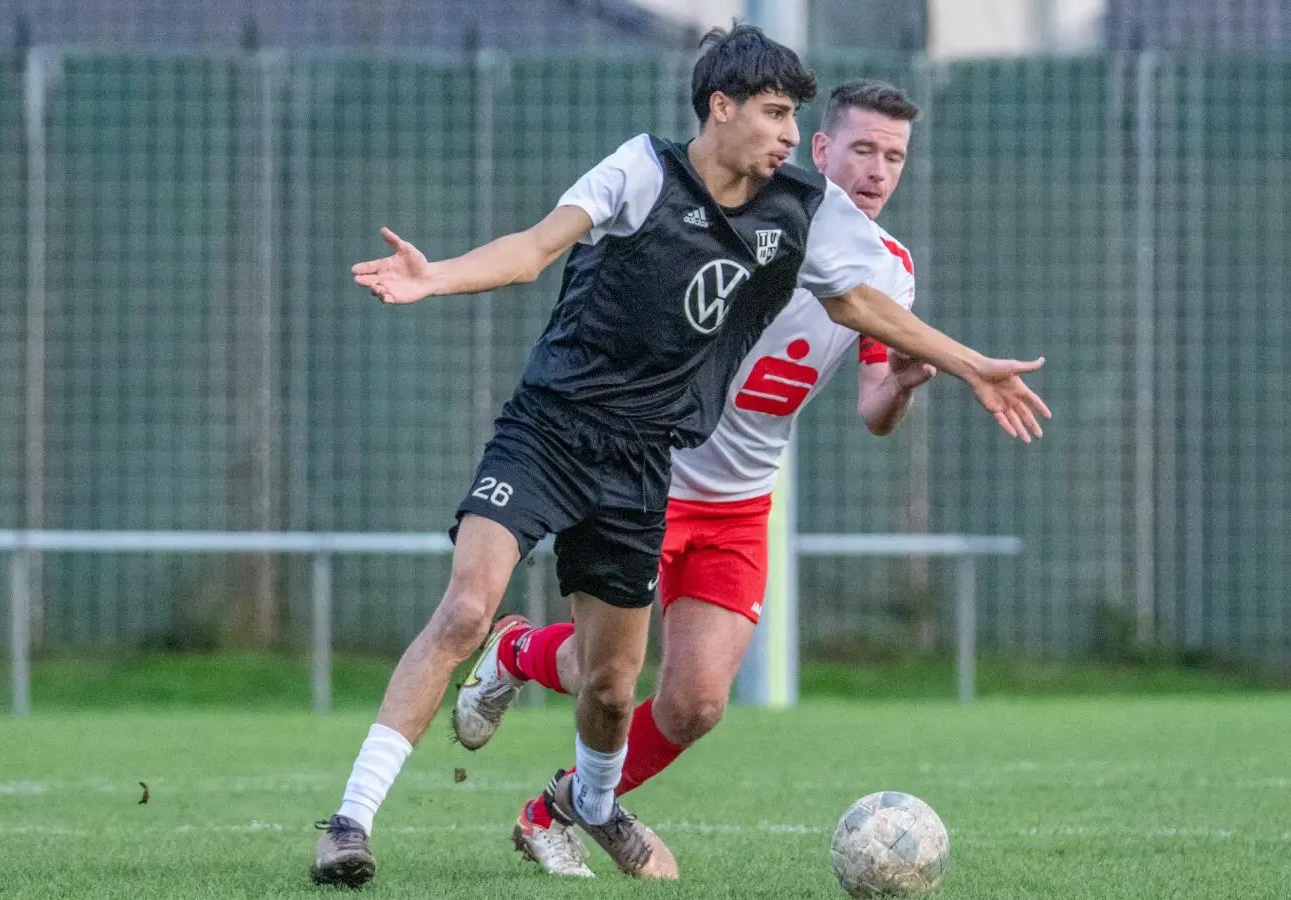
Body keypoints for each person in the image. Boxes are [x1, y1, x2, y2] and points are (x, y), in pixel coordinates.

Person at [313, 26, 1048, 887]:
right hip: (552, 429)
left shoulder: (803, 214)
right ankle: (350, 823)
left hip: (645, 461)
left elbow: (857, 306)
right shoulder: (642, 169)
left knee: (618, 686)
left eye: (796, 118)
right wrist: (436, 275)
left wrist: (969, 366)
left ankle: (585, 804)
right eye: (776, 114)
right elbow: (536, 248)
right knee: (467, 609)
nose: (787, 135)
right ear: (721, 107)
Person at [450, 79, 993, 877]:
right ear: (819, 149)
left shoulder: (890, 271)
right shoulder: (746, 223)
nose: (878, 170)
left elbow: (875, 409)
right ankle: (517, 652)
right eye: (863, 150)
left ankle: (553, 809)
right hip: (654, 475)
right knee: (607, 673)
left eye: (895, 156)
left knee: (697, 703)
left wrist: (905, 385)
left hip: (741, 503)